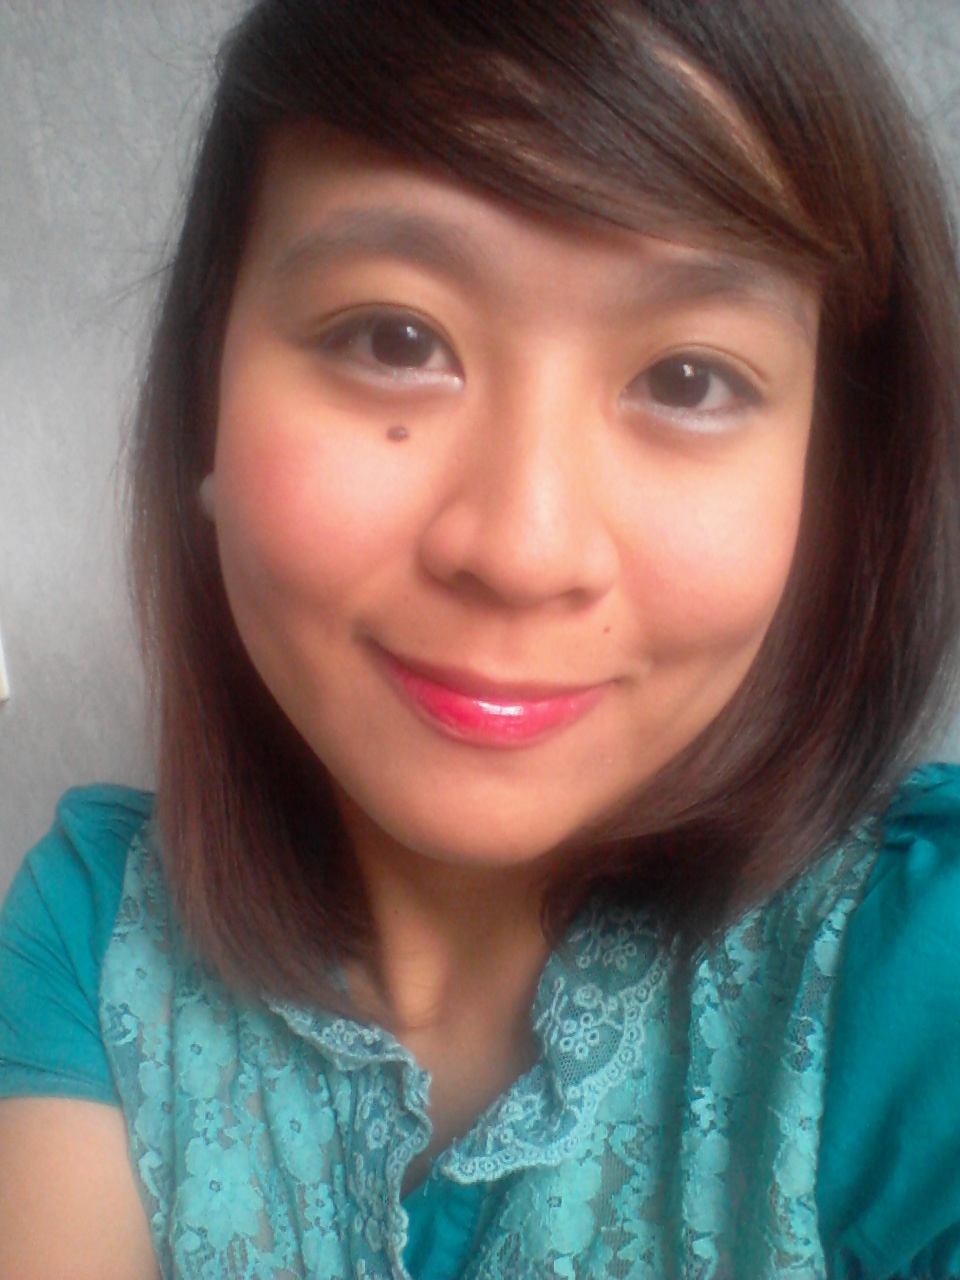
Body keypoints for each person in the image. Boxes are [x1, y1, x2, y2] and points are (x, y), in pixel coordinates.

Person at [3, 0, 960, 1276]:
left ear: (831, 486)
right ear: (206, 408)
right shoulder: (97, 930)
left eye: (689, 378)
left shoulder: (919, 966)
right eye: (394, 337)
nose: (521, 549)